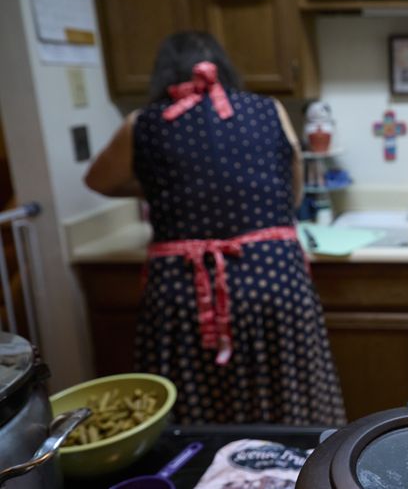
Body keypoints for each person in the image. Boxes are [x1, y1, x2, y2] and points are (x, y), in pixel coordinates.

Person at [85, 32, 346, 426]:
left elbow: (99, 181)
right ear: (224, 68)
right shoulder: (269, 109)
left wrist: (167, 185)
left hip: (184, 289)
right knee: (290, 406)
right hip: (274, 279)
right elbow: (291, 192)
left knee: (197, 414)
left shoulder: (144, 123)